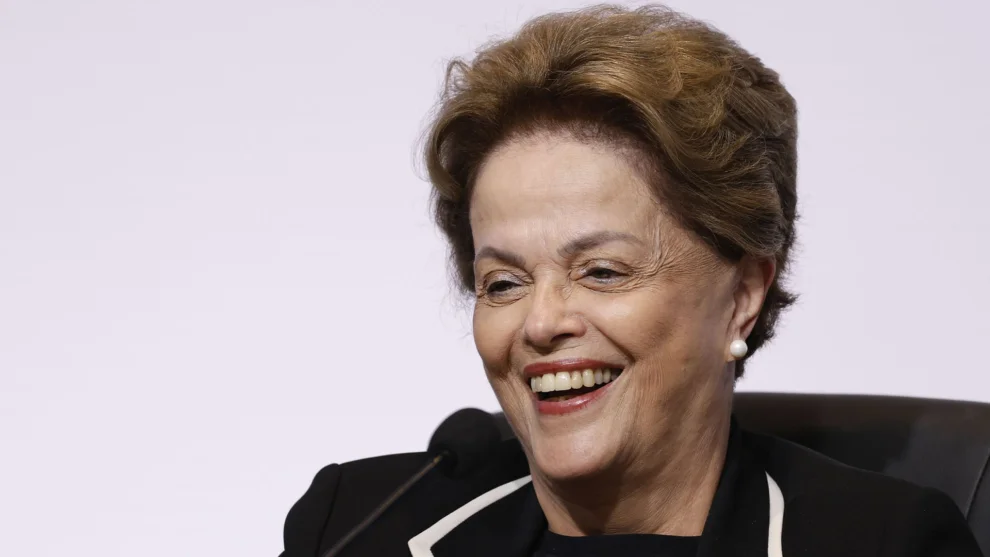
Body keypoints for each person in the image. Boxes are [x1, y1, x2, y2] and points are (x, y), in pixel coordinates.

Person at [278, 4, 983, 557]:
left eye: (601, 271)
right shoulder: (357, 526)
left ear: (742, 297)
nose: (541, 322)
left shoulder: (882, 543)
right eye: (503, 282)